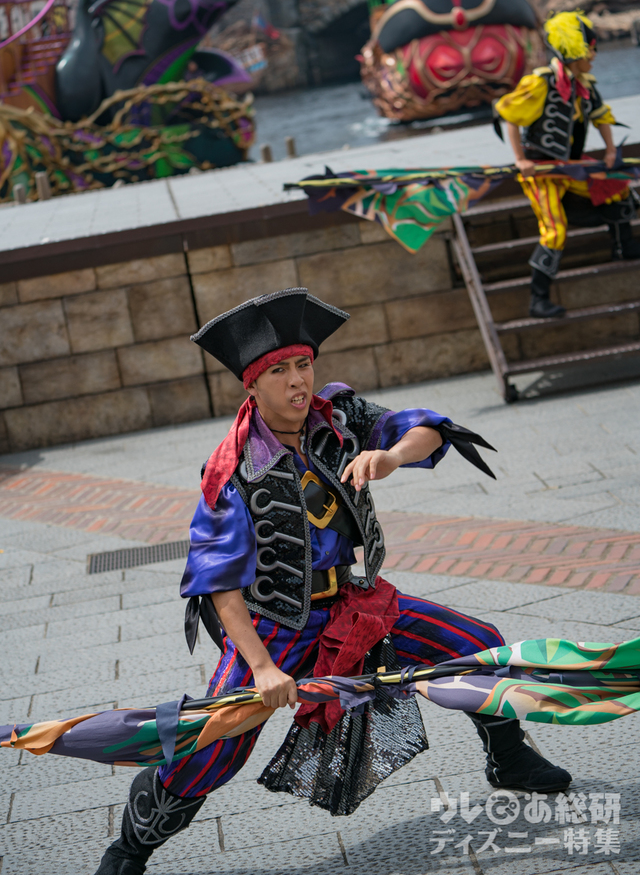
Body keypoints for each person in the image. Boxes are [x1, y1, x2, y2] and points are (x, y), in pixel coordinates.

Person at [94, 288, 571, 875]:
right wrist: (264, 667)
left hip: (351, 604)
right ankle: (129, 850)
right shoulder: (232, 470)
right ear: (251, 384)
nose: (297, 381)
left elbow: (428, 428)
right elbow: (219, 583)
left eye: (303, 364)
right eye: (278, 370)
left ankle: (510, 758)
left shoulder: (337, 417)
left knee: (479, 646)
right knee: (211, 748)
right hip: (272, 624)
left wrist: (391, 456)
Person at [495, 10, 640, 319]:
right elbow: (508, 114)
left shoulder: (584, 84)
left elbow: (601, 116)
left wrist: (611, 151)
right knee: (554, 231)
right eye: (591, 48)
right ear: (576, 48)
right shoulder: (542, 83)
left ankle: (623, 246)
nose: (595, 54)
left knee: (615, 185)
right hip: (542, 173)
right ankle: (538, 299)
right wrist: (521, 160)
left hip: (570, 166)